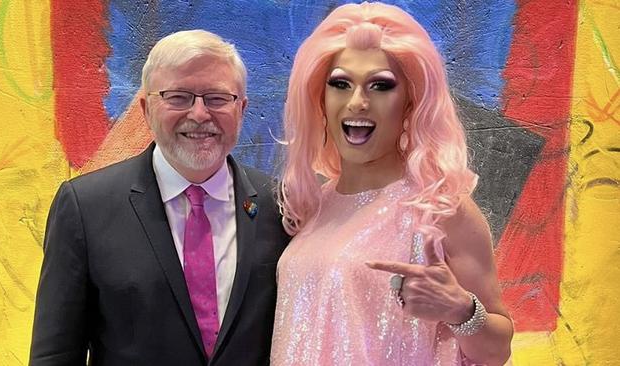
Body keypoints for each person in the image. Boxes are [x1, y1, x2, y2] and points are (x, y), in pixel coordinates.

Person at [272, 3, 513, 365]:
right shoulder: (313, 208)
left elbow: (498, 351)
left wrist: (460, 309)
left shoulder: (440, 209)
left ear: (410, 103)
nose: (357, 102)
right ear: (319, 99)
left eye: (380, 86)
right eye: (340, 83)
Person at [30, 30, 289, 366]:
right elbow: (55, 354)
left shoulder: (279, 206)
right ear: (146, 108)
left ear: (241, 109)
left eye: (217, 98)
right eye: (178, 97)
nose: (199, 114)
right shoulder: (85, 207)